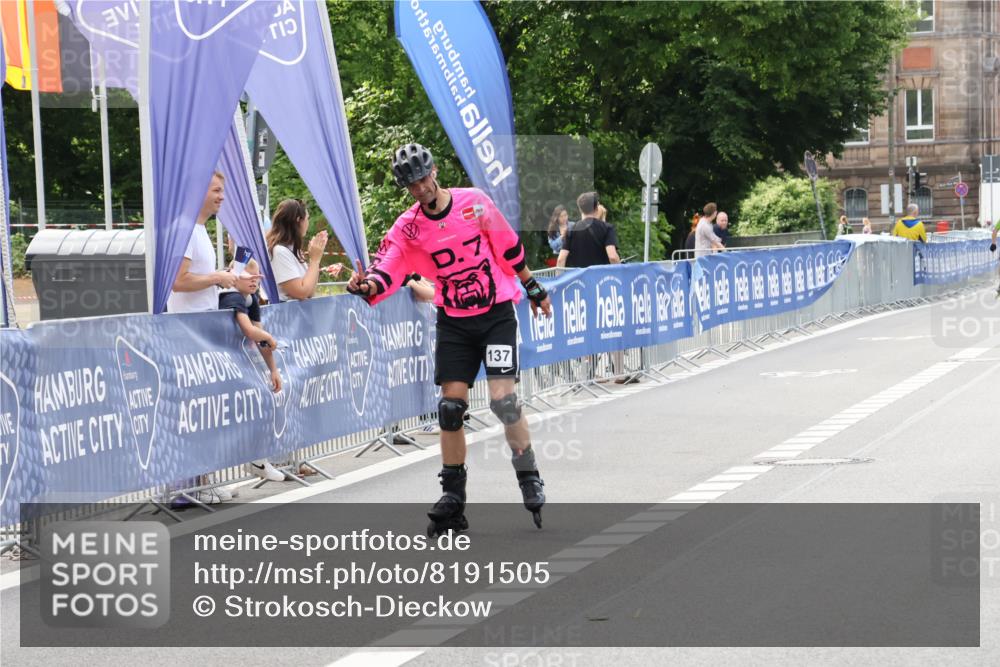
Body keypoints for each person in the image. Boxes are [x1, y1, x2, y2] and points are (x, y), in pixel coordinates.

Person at [346, 143, 553, 534]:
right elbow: (388, 266)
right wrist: (367, 284)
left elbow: (508, 247)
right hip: (454, 321)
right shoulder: (408, 227)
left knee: (503, 402)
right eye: (411, 184)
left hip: (495, 315)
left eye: (423, 178)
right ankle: (454, 499)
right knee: (450, 409)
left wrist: (533, 287)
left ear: (435, 171)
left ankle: (528, 474)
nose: (420, 187)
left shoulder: (473, 203)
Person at [168, 171, 255, 505]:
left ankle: (200, 480)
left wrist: (232, 279)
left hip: (202, 329)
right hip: (188, 333)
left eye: (222, 190)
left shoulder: (200, 230)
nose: (222, 196)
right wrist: (220, 277)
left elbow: (199, 280)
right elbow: (179, 281)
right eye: (217, 190)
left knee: (205, 410)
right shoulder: (186, 228)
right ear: (199, 190)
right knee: (193, 409)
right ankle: (183, 486)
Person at [219, 249, 284, 483]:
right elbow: (250, 330)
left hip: (237, 362)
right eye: (250, 278)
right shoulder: (231, 296)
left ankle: (258, 459)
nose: (256, 282)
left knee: (264, 399)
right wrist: (269, 336)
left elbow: (260, 338)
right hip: (220, 363)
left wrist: (273, 370)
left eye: (258, 278)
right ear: (235, 276)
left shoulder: (251, 298)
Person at [266, 198, 342, 303]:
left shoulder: (291, 251)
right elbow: (301, 292)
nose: (308, 223)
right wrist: (315, 260)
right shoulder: (279, 252)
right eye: (307, 218)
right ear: (298, 220)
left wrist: (315, 259)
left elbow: (310, 291)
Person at [556, 192, 620, 268]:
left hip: (579, 278)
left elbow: (561, 260)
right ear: (596, 208)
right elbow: (612, 257)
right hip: (601, 277)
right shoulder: (607, 228)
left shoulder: (571, 230)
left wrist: (560, 279)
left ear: (580, 209)